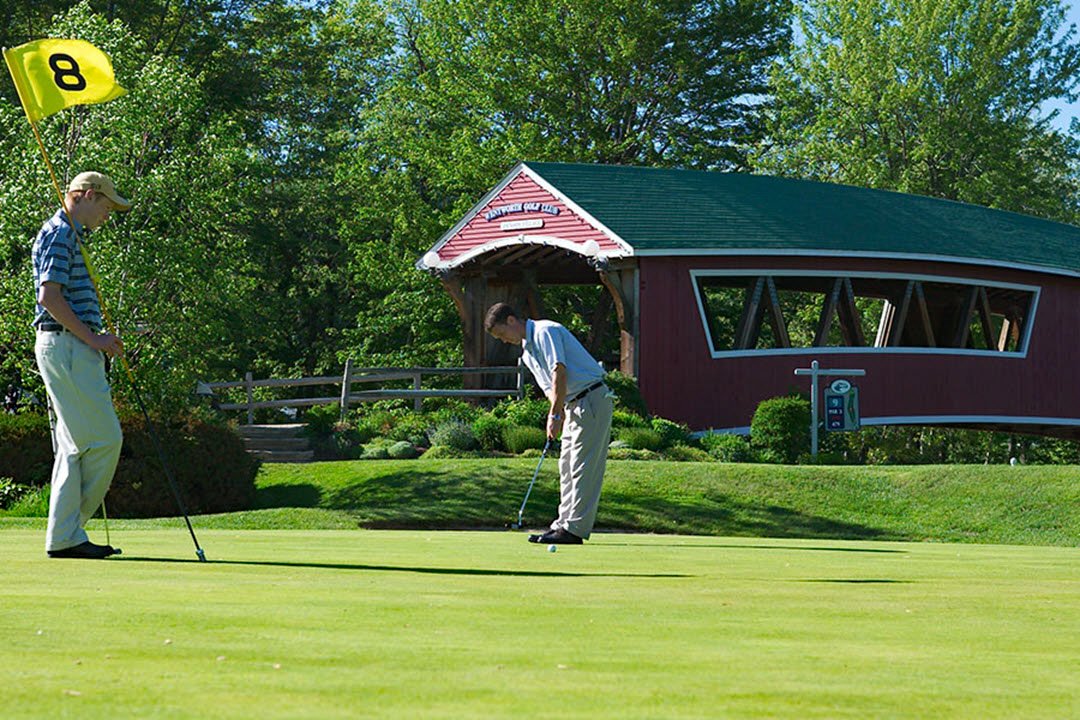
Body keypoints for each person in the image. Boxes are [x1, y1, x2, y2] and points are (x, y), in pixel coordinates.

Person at [32, 171, 131, 559]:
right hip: (68, 346)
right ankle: (67, 532)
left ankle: (65, 535)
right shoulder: (61, 234)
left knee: (74, 446)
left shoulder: (68, 234)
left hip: (68, 346)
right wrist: (96, 340)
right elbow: (49, 298)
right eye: (106, 206)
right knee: (104, 439)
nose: (108, 214)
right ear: (88, 195)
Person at [485, 302, 614, 545]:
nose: (504, 341)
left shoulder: (546, 331)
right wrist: (555, 414)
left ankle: (574, 529)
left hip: (592, 398)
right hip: (572, 405)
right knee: (566, 466)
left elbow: (559, 371)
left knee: (581, 467)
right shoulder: (527, 352)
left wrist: (555, 414)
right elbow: (548, 388)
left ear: (512, 320)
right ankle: (562, 524)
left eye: (502, 334)